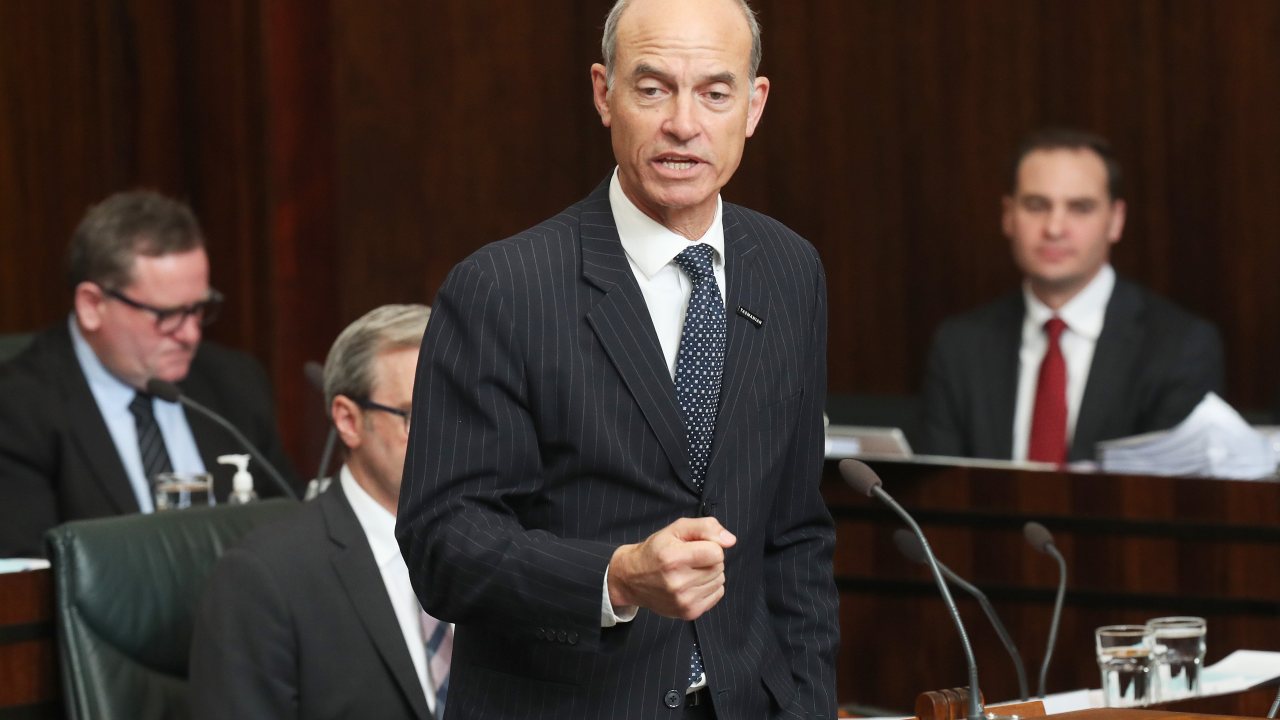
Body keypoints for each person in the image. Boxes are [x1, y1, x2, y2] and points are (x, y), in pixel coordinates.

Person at [396, 1, 837, 718]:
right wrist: (617, 575)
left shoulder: (789, 271)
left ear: (754, 106)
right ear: (605, 94)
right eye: (653, 87)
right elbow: (443, 545)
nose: (684, 124)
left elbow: (797, 539)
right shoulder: (504, 288)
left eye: (715, 93)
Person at [0, 190, 296, 557]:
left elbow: (290, 527)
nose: (190, 334)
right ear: (92, 306)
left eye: (199, 308)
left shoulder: (234, 382)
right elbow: (30, 578)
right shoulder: (18, 407)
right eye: (166, 315)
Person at [190, 304, 439, 719]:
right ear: (348, 420)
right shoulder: (265, 579)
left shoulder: (501, 542)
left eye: (459, 414)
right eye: (417, 416)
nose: (447, 439)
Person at [916, 128, 1225, 463]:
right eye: (1036, 206)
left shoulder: (1180, 347)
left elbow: (1166, 498)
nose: (1054, 227)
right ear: (1008, 216)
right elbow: (937, 493)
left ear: (1115, 220)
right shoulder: (960, 345)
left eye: (1080, 208)